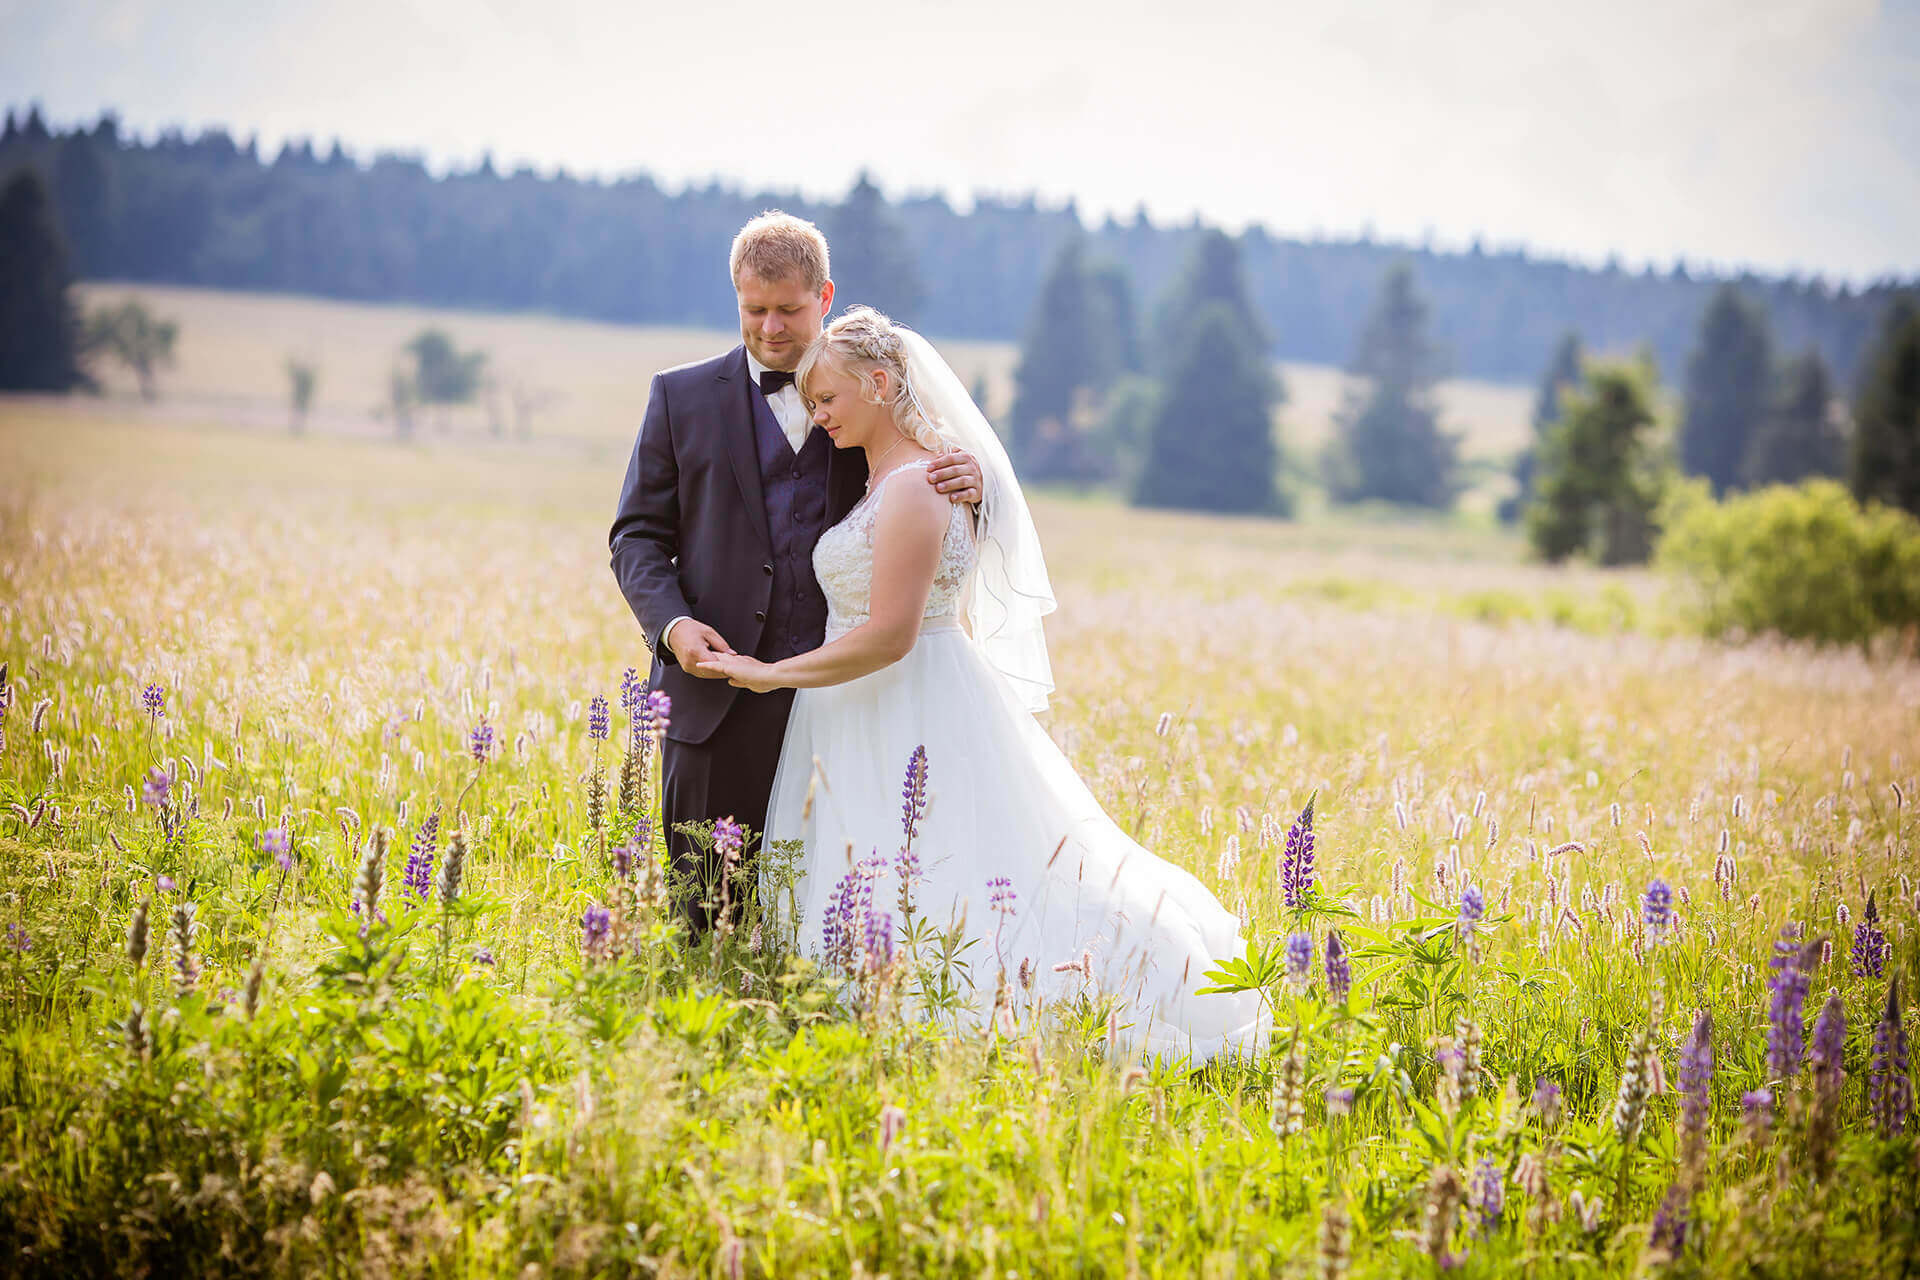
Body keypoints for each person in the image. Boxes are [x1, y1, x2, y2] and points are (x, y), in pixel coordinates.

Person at [696, 306, 1267, 1063]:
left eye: (829, 399)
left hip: (904, 693)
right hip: (871, 702)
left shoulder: (913, 485)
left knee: (941, 860)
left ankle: (958, 1005)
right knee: (905, 857)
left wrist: (769, 675)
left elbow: (894, 634)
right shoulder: (903, 474)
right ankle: (868, 1002)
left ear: (877, 382)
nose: (819, 415)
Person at [608, 212, 983, 931]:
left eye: (789, 309)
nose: (771, 328)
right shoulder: (677, 398)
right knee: (705, 925)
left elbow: (936, 508)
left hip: (848, 704)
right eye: (754, 310)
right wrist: (674, 628)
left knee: (841, 921)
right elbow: (637, 536)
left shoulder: (872, 400)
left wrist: (978, 485)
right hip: (711, 705)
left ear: (826, 297)